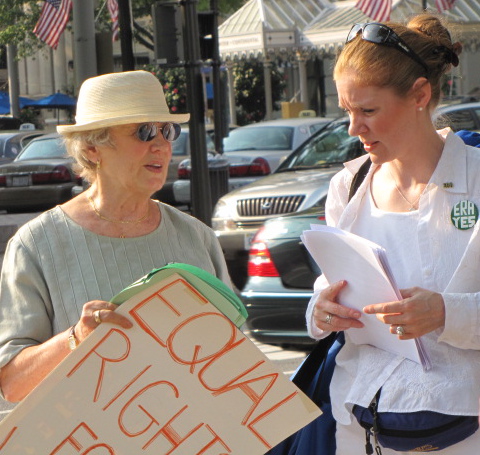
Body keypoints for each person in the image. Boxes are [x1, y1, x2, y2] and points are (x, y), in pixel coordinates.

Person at [0, 70, 231, 404]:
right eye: (145, 131)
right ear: (93, 148)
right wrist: (77, 339)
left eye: (167, 130)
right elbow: (12, 383)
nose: (162, 144)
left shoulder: (197, 237)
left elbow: (234, 356)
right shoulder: (36, 245)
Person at [306, 14, 480, 454]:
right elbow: (327, 289)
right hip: (358, 425)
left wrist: (446, 313)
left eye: (368, 110)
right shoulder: (346, 187)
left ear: (420, 94)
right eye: (347, 110)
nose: (353, 128)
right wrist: (321, 311)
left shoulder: (476, 179)